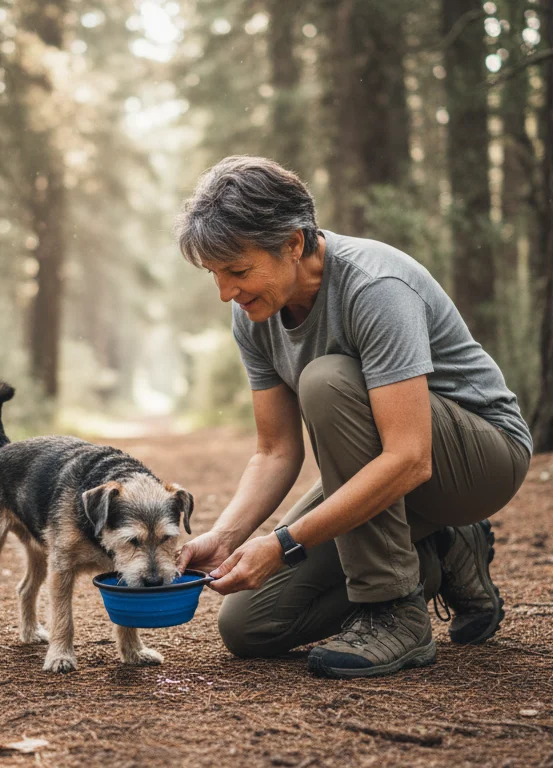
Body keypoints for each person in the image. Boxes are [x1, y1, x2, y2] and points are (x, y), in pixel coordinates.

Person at [174, 156, 533, 679]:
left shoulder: (374, 286)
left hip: (479, 460)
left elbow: (409, 459)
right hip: (403, 470)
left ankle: (393, 612)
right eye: (215, 275)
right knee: (250, 627)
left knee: (327, 380)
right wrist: (225, 539)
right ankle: (445, 551)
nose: (227, 292)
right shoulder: (255, 313)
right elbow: (276, 451)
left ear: (293, 243)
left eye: (238, 271)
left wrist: (284, 543)